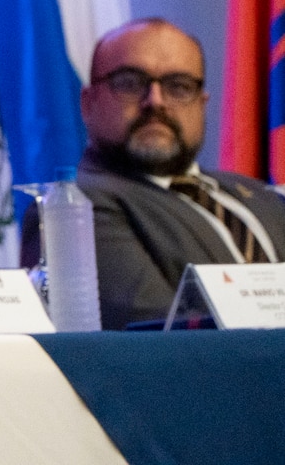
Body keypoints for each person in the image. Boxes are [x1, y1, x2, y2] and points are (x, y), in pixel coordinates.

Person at [21, 17, 285, 329]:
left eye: (179, 87)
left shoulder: (261, 195)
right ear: (88, 102)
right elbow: (160, 339)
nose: (155, 102)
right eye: (130, 83)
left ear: (202, 104)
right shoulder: (73, 207)